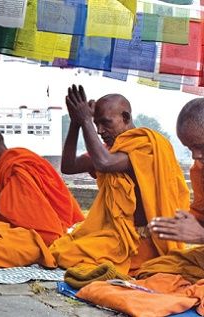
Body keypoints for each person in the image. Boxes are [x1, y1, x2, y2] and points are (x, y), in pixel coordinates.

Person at [50, 85, 189, 280]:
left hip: (145, 241)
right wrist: (76, 123)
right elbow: (69, 166)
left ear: (126, 118)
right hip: (116, 235)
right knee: (62, 249)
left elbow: (104, 163)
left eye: (106, 123)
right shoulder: (110, 149)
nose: (99, 130)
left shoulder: (146, 145)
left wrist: (86, 121)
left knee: (66, 254)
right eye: (96, 124)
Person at [0, 127, 84, 245]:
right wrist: (0, 206)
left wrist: (1, 205)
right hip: (45, 219)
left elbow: (32, 208)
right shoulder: (11, 163)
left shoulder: (17, 165)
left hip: (49, 225)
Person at [136, 98, 204, 283]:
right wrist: (176, 225)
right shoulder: (200, 170)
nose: (195, 155)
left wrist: (201, 235)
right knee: (154, 269)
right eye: (190, 148)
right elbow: (200, 217)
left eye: (200, 146)